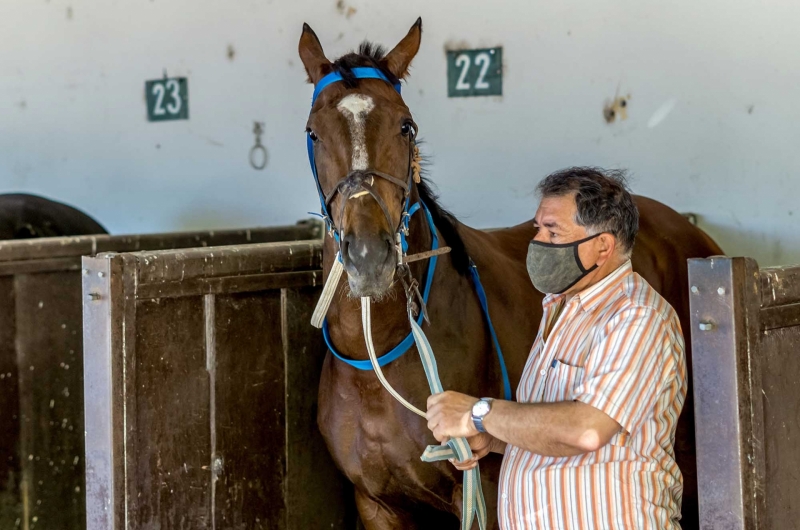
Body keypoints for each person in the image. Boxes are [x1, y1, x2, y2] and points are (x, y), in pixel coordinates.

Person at [426, 167, 686, 529]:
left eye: (553, 231)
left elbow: (586, 430)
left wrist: (479, 412)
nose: (538, 242)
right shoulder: (558, 308)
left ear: (603, 247)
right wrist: (496, 437)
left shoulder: (635, 317)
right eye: (538, 228)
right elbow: (552, 430)